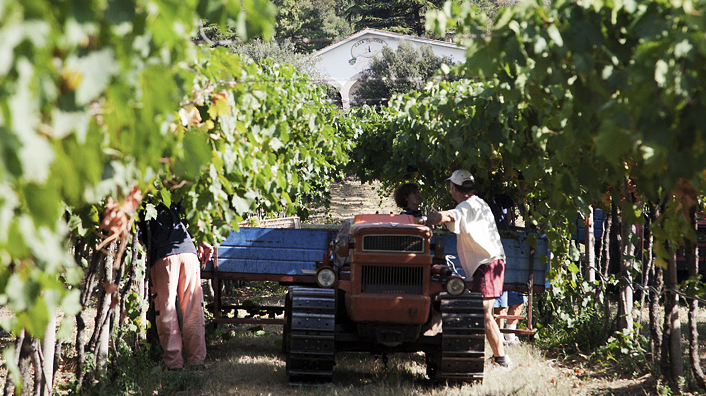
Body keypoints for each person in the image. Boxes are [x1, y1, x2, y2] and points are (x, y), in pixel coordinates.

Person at [424, 170, 509, 368]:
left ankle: (501, 359)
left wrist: (423, 219)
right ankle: (494, 355)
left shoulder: (466, 207)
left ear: (454, 188)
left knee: (484, 313)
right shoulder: (479, 203)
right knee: (484, 312)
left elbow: (446, 217)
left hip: (487, 264)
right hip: (489, 262)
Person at [138, 202, 212, 371]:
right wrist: (202, 238)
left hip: (163, 257)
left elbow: (137, 235)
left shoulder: (139, 198)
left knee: (166, 309)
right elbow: (192, 208)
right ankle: (197, 361)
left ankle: (174, 364)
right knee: (193, 309)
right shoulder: (168, 190)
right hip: (188, 252)